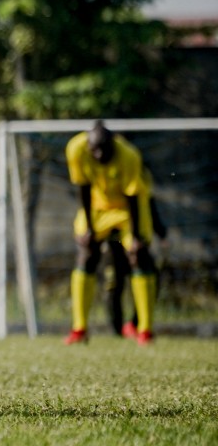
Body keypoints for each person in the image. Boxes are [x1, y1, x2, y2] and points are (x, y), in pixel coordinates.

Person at [63, 121, 156, 346]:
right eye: (95, 149)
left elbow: (133, 196)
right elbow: (83, 187)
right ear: (88, 145)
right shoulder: (75, 149)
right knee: (86, 253)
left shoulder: (129, 155)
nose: (100, 153)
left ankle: (144, 330)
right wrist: (89, 230)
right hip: (97, 207)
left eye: (105, 148)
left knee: (138, 256)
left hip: (127, 210)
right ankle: (79, 329)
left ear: (114, 143)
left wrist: (134, 236)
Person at [102, 175, 167, 339]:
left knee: (151, 277)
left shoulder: (143, 174)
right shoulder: (111, 174)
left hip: (135, 237)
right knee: (114, 281)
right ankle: (116, 330)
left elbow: (147, 203)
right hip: (113, 235)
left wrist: (160, 230)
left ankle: (135, 324)